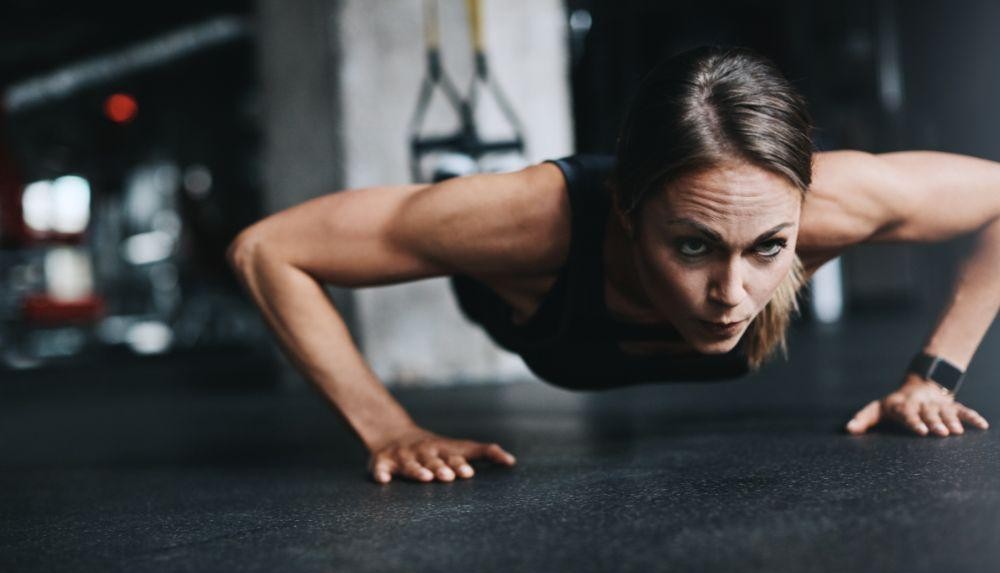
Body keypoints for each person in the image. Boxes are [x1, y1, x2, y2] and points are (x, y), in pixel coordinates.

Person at [227, 46, 998, 485]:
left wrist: (937, 373)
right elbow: (268, 249)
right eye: (693, 246)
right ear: (629, 216)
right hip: (517, 300)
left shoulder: (836, 202)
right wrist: (386, 429)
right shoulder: (525, 222)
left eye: (768, 247)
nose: (732, 297)